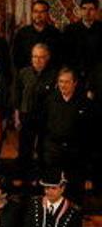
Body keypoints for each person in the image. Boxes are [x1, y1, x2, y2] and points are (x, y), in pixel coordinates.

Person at [40, 68, 93, 201]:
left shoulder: (85, 103)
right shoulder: (50, 100)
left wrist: (89, 171)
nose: (63, 85)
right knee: (53, 191)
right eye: (61, 81)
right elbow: (42, 128)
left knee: (74, 194)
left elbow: (90, 135)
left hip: (75, 155)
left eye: (67, 82)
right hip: (53, 153)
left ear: (74, 83)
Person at [13, 43, 57, 181]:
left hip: (46, 118)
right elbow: (17, 96)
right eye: (35, 57)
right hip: (26, 115)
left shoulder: (54, 74)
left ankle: (42, 180)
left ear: (48, 57)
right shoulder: (23, 73)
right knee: (25, 149)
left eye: (41, 57)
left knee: (43, 150)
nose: (37, 61)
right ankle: (24, 180)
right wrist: (16, 117)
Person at [11, 0, 61, 72]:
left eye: (42, 12)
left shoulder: (55, 34)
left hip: (50, 75)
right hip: (27, 75)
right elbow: (16, 57)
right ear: (32, 13)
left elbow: (59, 58)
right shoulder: (22, 33)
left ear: (47, 14)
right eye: (35, 11)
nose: (38, 15)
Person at [62, 0, 101, 80]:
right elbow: (66, 54)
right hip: (76, 74)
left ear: (96, 11)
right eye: (84, 8)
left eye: (91, 9)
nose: (87, 12)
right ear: (80, 10)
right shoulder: (70, 30)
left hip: (97, 75)